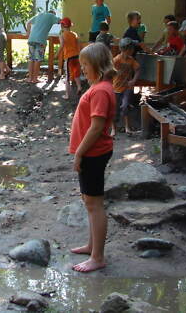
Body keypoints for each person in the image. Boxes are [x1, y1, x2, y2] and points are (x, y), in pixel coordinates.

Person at [69, 43, 116, 273]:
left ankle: (98, 257)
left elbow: (96, 127)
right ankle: (91, 245)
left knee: (95, 204)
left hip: (93, 153)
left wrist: (79, 153)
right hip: (92, 152)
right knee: (89, 202)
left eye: (85, 64)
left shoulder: (100, 90)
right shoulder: (100, 87)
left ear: (97, 65)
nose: (82, 68)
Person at [112, 38, 140, 134]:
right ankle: (113, 129)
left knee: (125, 106)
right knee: (114, 109)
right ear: (125, 49)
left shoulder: (131, 60)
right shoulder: (116, 60)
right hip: (116, 88)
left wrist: (133, 80)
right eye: (131, 49)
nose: (132, 51)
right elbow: (109, 71)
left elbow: (137, 69)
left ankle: (127, 127)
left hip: (127, 88)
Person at [25, 9, 60, 83]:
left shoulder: (39, 15)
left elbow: (28, 23)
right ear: (53, 14)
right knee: (38, 59)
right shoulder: (52, 16)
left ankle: (29, 78)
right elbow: (62, 21)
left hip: (31, 39)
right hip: (40, 41)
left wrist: (28, 34)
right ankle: (35, 79)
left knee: (31, 59)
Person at [58, 17, 82, 99]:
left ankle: (67, 95)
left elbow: (62, 46)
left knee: (67, 77)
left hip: (69, 57)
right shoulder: (74, 34)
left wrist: (57, 54)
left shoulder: (62, 35)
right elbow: (79, 45)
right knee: (76, 73)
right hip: (76, 56)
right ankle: (79, 87)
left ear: (62, 25)